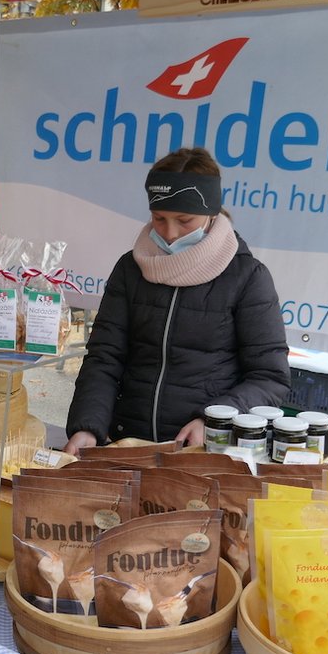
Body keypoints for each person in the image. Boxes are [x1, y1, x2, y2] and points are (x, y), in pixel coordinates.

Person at [64, 147, 290, 452]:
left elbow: (269, 377)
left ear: (211, 213)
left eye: (185, 220)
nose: (170, 233)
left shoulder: (247, 277)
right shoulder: (131, 269)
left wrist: (211, 421)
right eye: (159, 218)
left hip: (203, 451)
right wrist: (87, 426)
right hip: (127, 442)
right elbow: (105, 358)